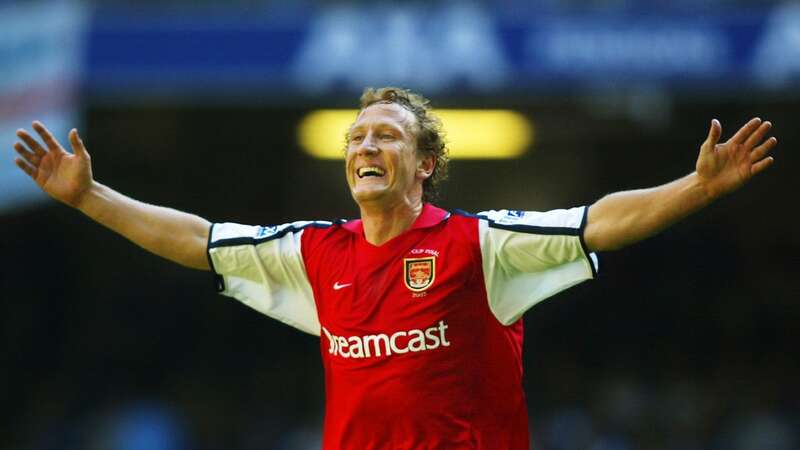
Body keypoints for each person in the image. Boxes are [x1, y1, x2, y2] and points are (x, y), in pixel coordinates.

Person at [12, 87, 777, 450]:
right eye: (355, 137)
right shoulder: (315, 254)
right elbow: (199, 241)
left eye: (385, 135)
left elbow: (597, 221)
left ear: (426, 163)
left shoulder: (481, 246)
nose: (365, 147)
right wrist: (90, 198)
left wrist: (698, 186)